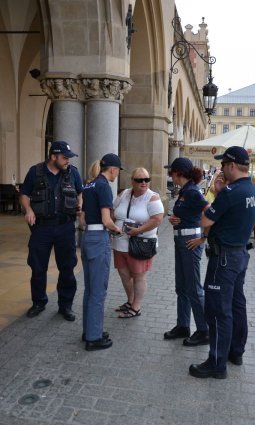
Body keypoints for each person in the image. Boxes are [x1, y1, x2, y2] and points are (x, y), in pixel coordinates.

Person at [187, 146, 255, 379]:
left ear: (231, 165)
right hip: (239, 254)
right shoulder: (251, 189)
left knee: (218, 309)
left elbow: (205, 221)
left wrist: (217, 194)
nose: (220, 169)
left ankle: (217, 363)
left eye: (222, 165)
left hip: (224, 258)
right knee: (237, 304)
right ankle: (235, 351)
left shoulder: (230, 191)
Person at [20, 141, 83, 321]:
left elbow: (80, 192)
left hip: (65, 227)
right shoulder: (35, 171)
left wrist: (80, 204)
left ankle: (65, 306)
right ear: (53, 157)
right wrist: (29, 210)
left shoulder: (73, 173)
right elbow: (24, 194)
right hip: (42, 228)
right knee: (38, 267)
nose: (67, 161)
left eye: (69, 158)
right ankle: (39, 302)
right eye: (64, 158)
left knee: (67, 267)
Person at [163, 157, 209, 346]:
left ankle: (204, 330)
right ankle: (183, 325)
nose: (169, 175)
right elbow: (186, 214)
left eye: (172, 172)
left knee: (193, 288)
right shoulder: (184, 191)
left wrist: (203, 238)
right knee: (181, 286)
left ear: (179, 173)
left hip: (190, 243)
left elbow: (209, 211)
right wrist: (174, 219)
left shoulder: (192, 191)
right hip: (181, 240)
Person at [80, 154, 124, 351]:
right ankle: (94, 337)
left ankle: (89, 330)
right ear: (113, 169)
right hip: (99, 239)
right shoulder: (104, 186)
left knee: (90, 289)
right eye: (117, 171)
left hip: (87, 236)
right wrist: (118, 229)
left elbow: (82, 219)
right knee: (98, 291)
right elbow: (107, 220)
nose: (116, 175)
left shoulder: (88, 186)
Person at [113, 168, 164, 318]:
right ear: (132, 181)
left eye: (146, 180)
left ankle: (136, 306)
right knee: (123, 273)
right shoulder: (124, 194)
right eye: (139, 180)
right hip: (120, 242)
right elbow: (113, 210)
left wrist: (138, 230)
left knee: (138, 276)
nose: (144, 183)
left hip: (141, 243)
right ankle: (130, 300)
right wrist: (111, 226)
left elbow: (157, 219)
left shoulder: (152, 197)